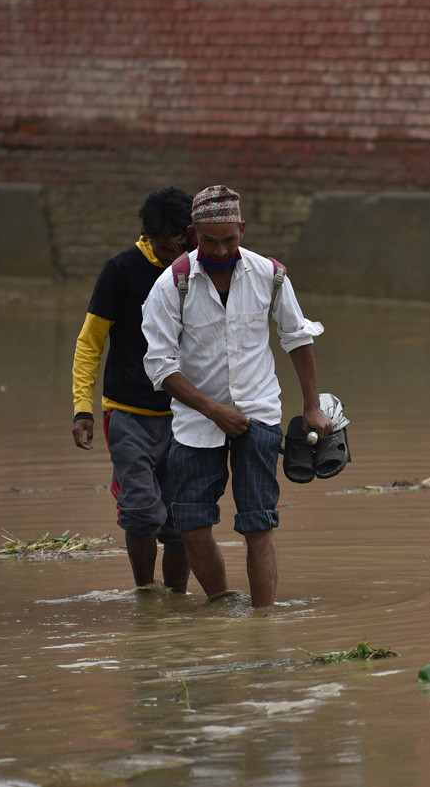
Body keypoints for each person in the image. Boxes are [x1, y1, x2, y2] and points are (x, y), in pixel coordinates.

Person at [141, 185, 332, 608]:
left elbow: (297, 338)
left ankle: (263, 625)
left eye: (230, 239)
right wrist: (213, 410)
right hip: (195, 423)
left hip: (259, 414)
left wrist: (312, 406)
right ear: (193, 234)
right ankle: (223, 607)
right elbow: (160, 366)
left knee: (257, 523)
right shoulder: (171, 284)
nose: (221, 249)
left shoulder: (271, 274)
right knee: (191, 525)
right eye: (209, 240)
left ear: (242, 230)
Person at [71, 186, 194, 593]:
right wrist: (82, 409)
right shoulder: (120, 270)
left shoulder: (198, 270)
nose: (167, 258)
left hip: (186, 416)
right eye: (160, 249)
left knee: (180, 521)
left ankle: (175, 604)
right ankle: (145, 597)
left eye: (175, 248)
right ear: (147, 237)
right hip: (127, 415)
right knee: (141, 511)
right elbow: (90, 342)